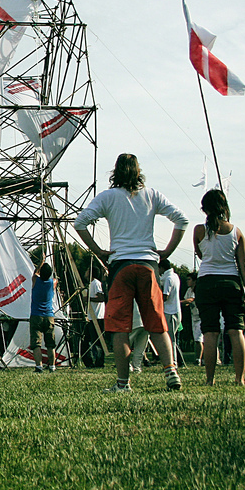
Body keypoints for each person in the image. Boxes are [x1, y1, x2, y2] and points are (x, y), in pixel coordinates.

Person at [74, 154, 188, 392]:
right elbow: (182, 220)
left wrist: (99, 251)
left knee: (119, 328)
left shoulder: (108, 197)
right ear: (139, 171)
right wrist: (166, 251)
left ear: (115, 171)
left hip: (120, 266)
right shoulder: (152, 195)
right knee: (156, 323)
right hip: (148, 265)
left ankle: (123, 383)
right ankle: (170, 370)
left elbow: (80, 223)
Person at [193, 189, 245, 385]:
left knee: (210, 332)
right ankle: (239, 378)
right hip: (231, 282)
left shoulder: (199, 230)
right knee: (236, 331)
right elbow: (243, 265)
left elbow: (200, 254)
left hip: (207, 281)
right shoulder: (236, 232)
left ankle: (210, 379)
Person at [159, 259, 184, 367]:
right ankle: (176, 361)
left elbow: (165, 296)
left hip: (170, 311)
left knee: (170, 339)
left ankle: (173, 362)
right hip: (175, 310)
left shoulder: (168, 278)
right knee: (172, 338)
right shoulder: (175, 276)